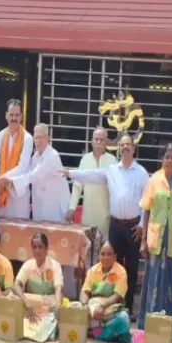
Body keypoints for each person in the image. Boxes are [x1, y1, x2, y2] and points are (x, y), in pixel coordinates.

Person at [64, 133, 149, 315]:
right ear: (119, 149)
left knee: (132, 269)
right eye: (122, 145)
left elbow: (146, 202)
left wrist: (142, 225)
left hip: (134, 227)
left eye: (128, 145)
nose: (125, 147)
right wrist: (70, 173)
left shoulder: (142, 173)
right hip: (116, 226)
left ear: (134, 149)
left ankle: (128, 307)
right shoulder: (111, 170)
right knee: (112, 268)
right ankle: (113, 306)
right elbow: (91, 176)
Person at [138, 143, 172, 330]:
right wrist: (143, 239)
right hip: (155, 238)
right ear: (162, 160)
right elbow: (146, 209)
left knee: (169, 280)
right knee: (153, 278)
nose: (169, 160)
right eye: (167, 157)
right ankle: (149, 323)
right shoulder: (154, 180)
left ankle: (165, 324)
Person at [0, 123, 70, 223]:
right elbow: (26, 173)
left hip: (55, 207)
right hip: (41, 206)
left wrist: (10, 182)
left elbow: (33, 176)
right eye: (36, 138)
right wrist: (5, 179)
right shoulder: (35, 156)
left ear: (47, 138)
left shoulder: (53, 156)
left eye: (41, 138)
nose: (38, 141)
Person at [12, 232, 64, 343]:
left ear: (46, 249)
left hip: (50, 303)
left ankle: (44, 322)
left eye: (40, 247)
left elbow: (58, 289)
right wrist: (26, 302)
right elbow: (16, 285)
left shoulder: (55, 265)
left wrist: (59, 307)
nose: (37, 250)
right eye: (34, 247)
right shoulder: (28, 265)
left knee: (60, 303)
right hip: (32, 304)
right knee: (13, 296)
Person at [80, 241, 132, 343]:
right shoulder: (92, 271)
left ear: (115, 256)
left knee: (123, 319)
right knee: (74, 311)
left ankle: (93, 333)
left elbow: (117, 296)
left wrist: (103, 306)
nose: (105, 257)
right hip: (93, 310)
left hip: (111, 311)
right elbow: (84, 292)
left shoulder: (121, 272)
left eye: (109, 254)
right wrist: (85, 306)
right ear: (99, 255)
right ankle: (105, 333)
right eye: (103, 254)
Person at [69, 128, 115, 237]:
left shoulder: (112, 161)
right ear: (92, 142)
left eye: (102, 140)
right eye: (96, 139)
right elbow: (77, 186)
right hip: (88, 217)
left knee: (104, 252)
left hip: (106, 219)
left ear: (106, 142)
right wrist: (71, 208)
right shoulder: (85, 159)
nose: (98, 142)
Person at [0, 99, 33, 219]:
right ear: (6, 116)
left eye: (16, 115)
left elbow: (23, 167)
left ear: (21, 117)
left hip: (18, 192)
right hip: (1, 190)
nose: (13, 118)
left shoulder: (27, 138)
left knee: (18, 231)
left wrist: (3, 178)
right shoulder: (0, 136)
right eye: (11, 115)